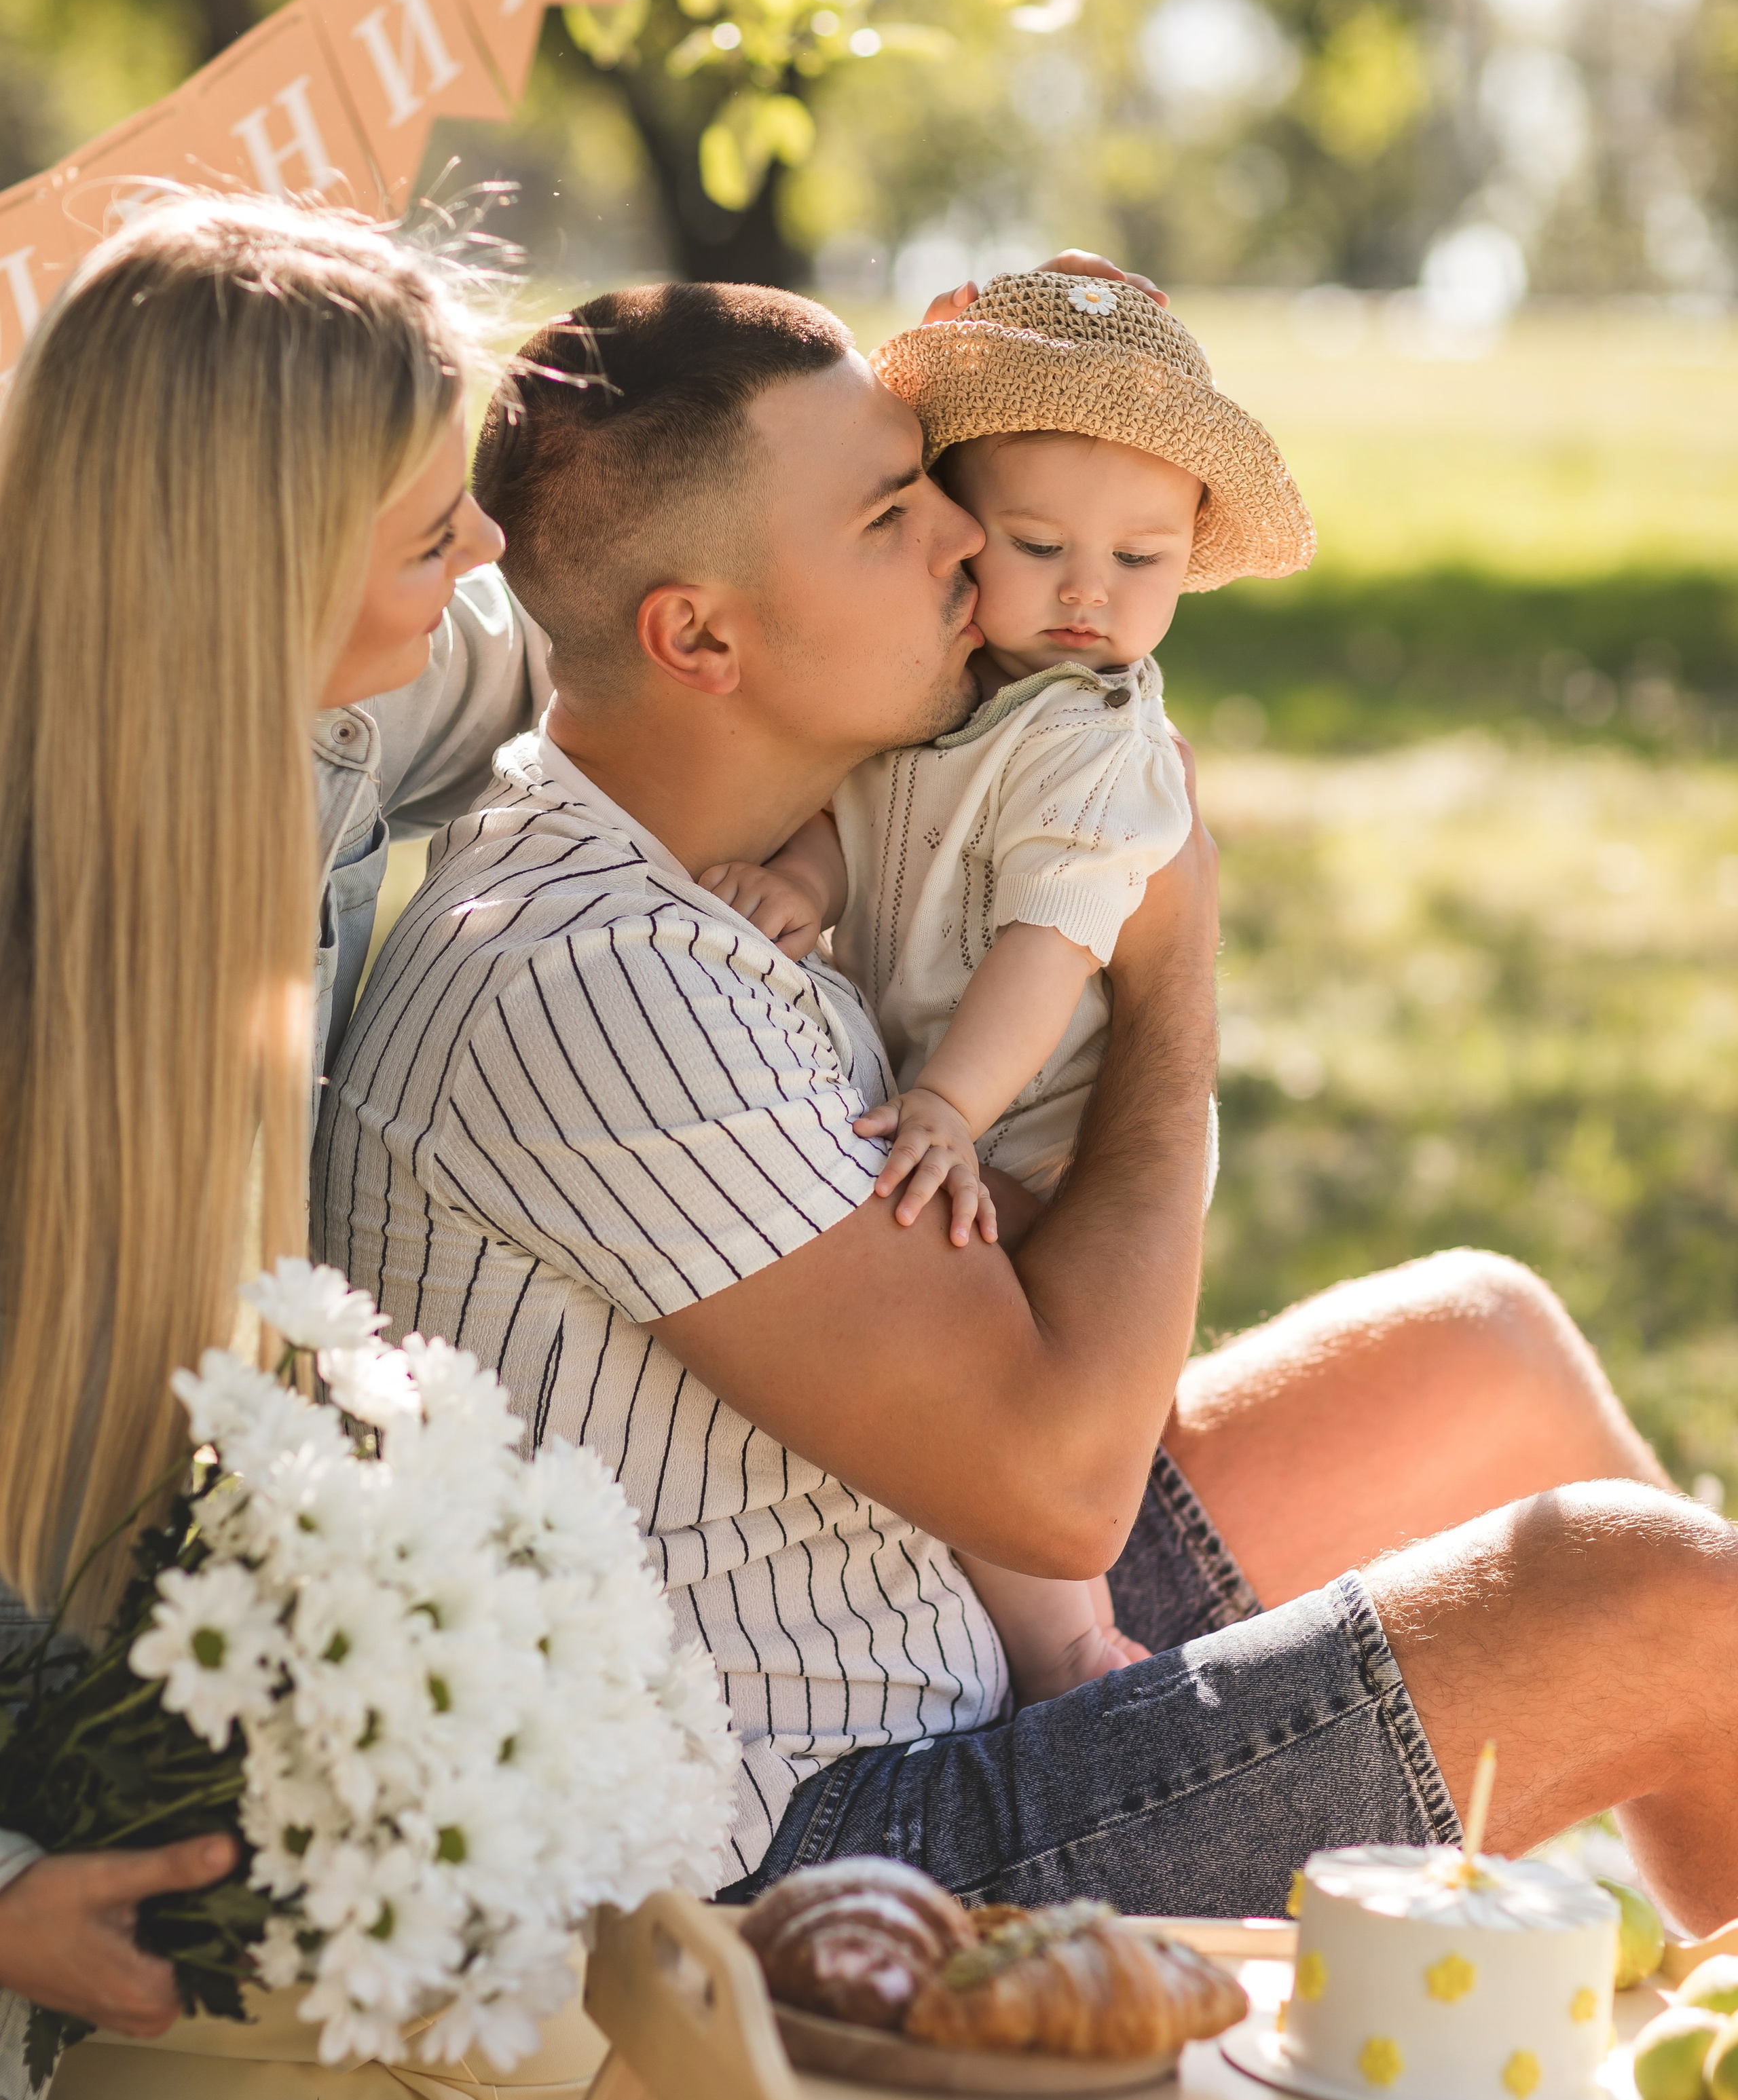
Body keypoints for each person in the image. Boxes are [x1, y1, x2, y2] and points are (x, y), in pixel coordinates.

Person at [316, 276, 1732, 1962]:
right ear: (699, 636)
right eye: (886, 515)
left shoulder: (710, 865)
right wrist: (1169, 954)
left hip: (926, 1612)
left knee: (1479, 1343)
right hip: (817, 1850)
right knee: (1673, 1609)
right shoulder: (600, 981)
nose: (960, 550)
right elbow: (1061, 1494)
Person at [0, 190, 667, 2100]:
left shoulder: (344, 713)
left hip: (133, 1657)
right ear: (251, 583)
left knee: (585, 2049)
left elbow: (657, 659)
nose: (484, 557)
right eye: (425, 533)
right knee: (544, 2098)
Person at [695, 269, 1314, 1702]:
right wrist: (802, 885)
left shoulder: (1098, 745)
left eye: (1143, 561)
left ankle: (1064, 1638)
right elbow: (872, 824)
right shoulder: (948, 688)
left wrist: (949, 1105)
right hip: (956, 1090)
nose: (1092, 592)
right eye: (1040, 544)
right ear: (962, 525)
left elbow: (1048, 941)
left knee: (999, 1358)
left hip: (1034, 1116)